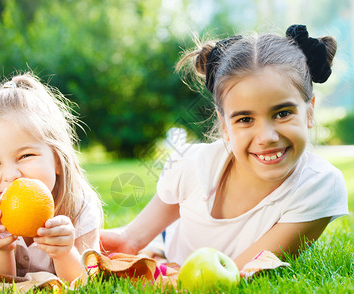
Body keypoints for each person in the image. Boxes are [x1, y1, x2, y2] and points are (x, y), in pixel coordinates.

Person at [99, 25, 348, 270]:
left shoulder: (319, 185)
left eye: (282, 113)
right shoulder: (193, 164)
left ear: (310, 111)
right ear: (224, 124)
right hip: (167, 244)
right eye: (245, 119)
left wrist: (171, 277)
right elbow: (130, 240)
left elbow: (236, 271)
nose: (267, 137)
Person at [0, 73, 103, 282]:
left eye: (25, 156)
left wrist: (65, 253)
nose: (11, 176)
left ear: (57, 159)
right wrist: (0, 249)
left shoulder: (79, 205)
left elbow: (89, 280)